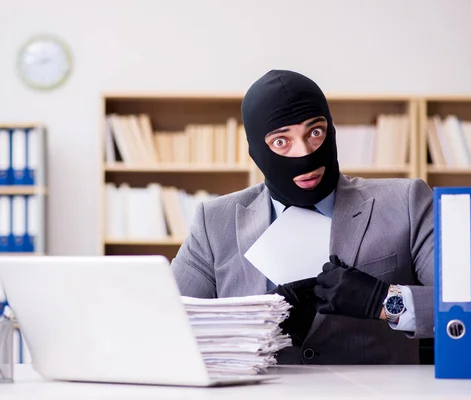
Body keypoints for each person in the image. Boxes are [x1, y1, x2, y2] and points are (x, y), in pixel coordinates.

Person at [171, 69, 434, 365]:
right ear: (257, 151)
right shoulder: (214, 223)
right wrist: (256, 325)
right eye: (281, 142)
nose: (305, 154)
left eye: (315, 132)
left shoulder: (407, 202)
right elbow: (166, 324)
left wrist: (385, 301)